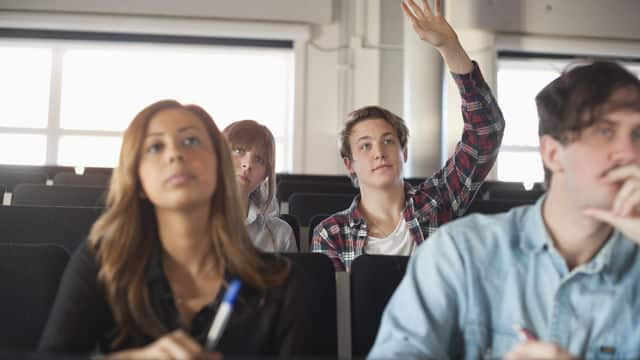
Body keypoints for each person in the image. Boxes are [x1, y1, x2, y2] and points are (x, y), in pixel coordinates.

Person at [368, 59, 640, 359]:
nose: (630, 153)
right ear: (553, 153)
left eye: (638, 135)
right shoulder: (460, 252)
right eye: (605, 131)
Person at [38, 100, 305, 358]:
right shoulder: (102, 261)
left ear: (218, 165)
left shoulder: (279, 280)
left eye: (191, 141)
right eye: (155, 147)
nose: (175, 154)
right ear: (137, 176)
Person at [311, 0, 505, 271]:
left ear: (404, 151)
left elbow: (486, 132)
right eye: (365, 146)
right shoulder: (330, 233)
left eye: (388, 140)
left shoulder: (437, 201)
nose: (379, 152)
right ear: (349, 163)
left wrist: (449, 46)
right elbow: (332, 311)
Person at [223, 120, 297, 252]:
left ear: (265, 176)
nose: (248, 164)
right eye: (239, 151)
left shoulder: (281, 234)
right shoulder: (189, 222)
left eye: (259, 160)